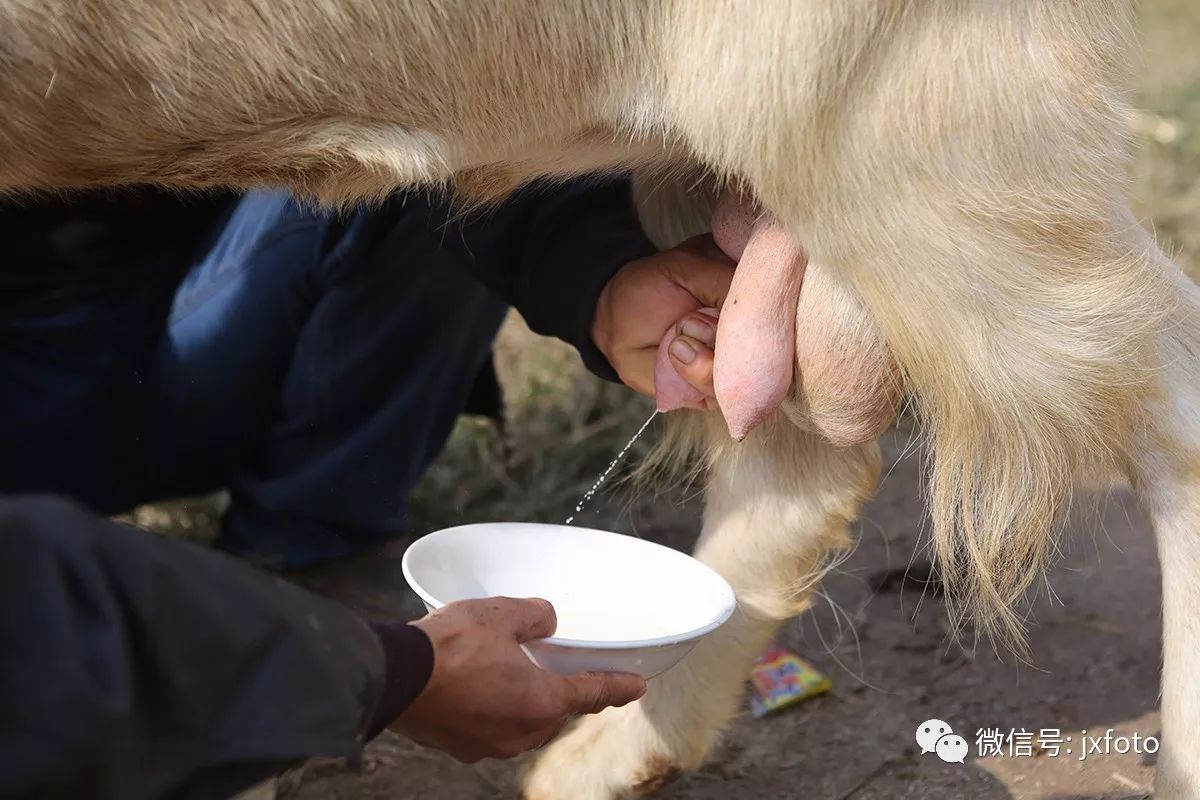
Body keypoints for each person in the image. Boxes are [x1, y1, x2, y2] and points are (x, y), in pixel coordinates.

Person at [0, 177, 736, 798]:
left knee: (397, 164)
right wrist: (389, 673)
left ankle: (310, 555)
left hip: (188, 300)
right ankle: (290, 646)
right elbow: (35, 613)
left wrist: (597, 280)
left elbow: (433, 94)